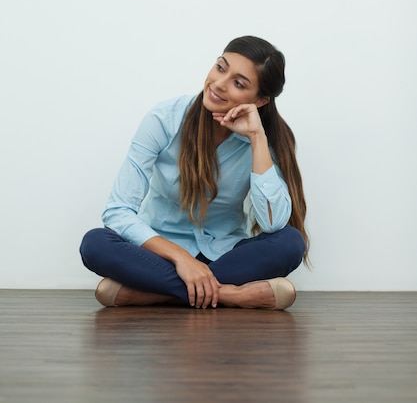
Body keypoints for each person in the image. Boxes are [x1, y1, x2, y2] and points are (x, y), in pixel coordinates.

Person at [80, 35, 309, 311]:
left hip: (224, 256)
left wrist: (257, 137)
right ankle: (229, 295)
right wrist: (182, 259)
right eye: (221, 67)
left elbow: (273, 224)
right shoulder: (164, 119)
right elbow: (118, 211)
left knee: (290, 242)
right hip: (158, 256)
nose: (219, 84)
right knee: (95, 243)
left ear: (260, 100)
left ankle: (155, 294)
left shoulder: (263, 138)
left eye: (238, 83)